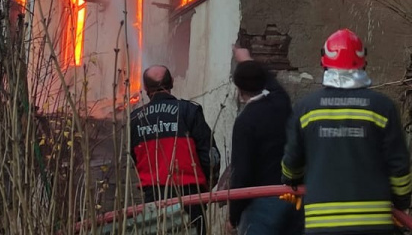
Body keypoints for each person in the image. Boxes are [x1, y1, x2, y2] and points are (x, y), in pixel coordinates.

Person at [280, 29, 412, 234]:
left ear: (324, 62)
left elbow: (291, 163)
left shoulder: (306, 109)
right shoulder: (382, 108)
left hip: (321, 225)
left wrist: (292, 182)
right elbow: (399, 167)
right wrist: (400, 203)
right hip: (373, 224)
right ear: (363, 61)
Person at [130, 65, 220, 235]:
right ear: (171, 82)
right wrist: (206, 187)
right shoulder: (189, 111)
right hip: (190, 199)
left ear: (145, 89)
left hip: (153, 202)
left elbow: (135, 159)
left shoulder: (134, 120)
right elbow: (211, 157)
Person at [227, 48, 303, 235]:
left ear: (239, 89)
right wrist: (246, 59)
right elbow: (270, 81)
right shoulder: (280, 102)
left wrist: (233, 216)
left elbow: (242, 173)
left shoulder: (245, 122)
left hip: (261, 203)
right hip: (292, 198)